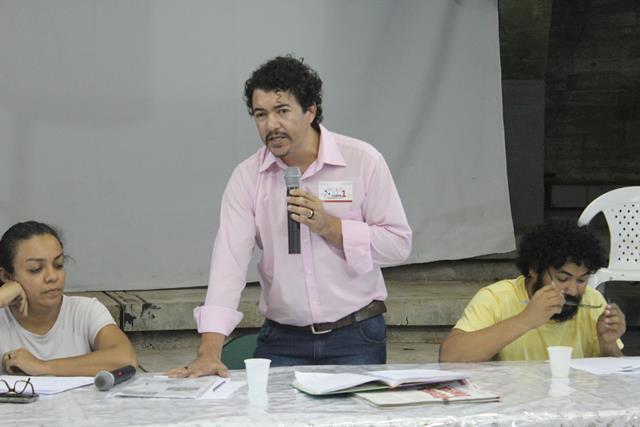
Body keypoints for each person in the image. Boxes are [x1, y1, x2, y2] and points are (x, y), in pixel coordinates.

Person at [168, 55, 411, 377]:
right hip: (282, 340)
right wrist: (209, 351)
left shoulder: (362, 161)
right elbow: (228, 264)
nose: (271, 125)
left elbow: (397, 245)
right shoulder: (248, 177)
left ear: (310, 110)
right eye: (261, 114)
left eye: (282, 111)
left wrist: (330, 227)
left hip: (355, 335)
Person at [439, 221, 625, 362]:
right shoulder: (496, 298)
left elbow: (616, 379)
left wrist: (607, 343)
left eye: (582, 280)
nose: (573, 290)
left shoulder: (592, 300)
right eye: (562, 279)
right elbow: (449, 358)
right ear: (534, 269)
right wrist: (526, 319)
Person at [0, 221, 137, 375]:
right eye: (36, 269)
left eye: (58, 265)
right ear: (6, 276)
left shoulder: (85, 311)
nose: (52, 277)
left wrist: (42, 367)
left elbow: (125, 359)